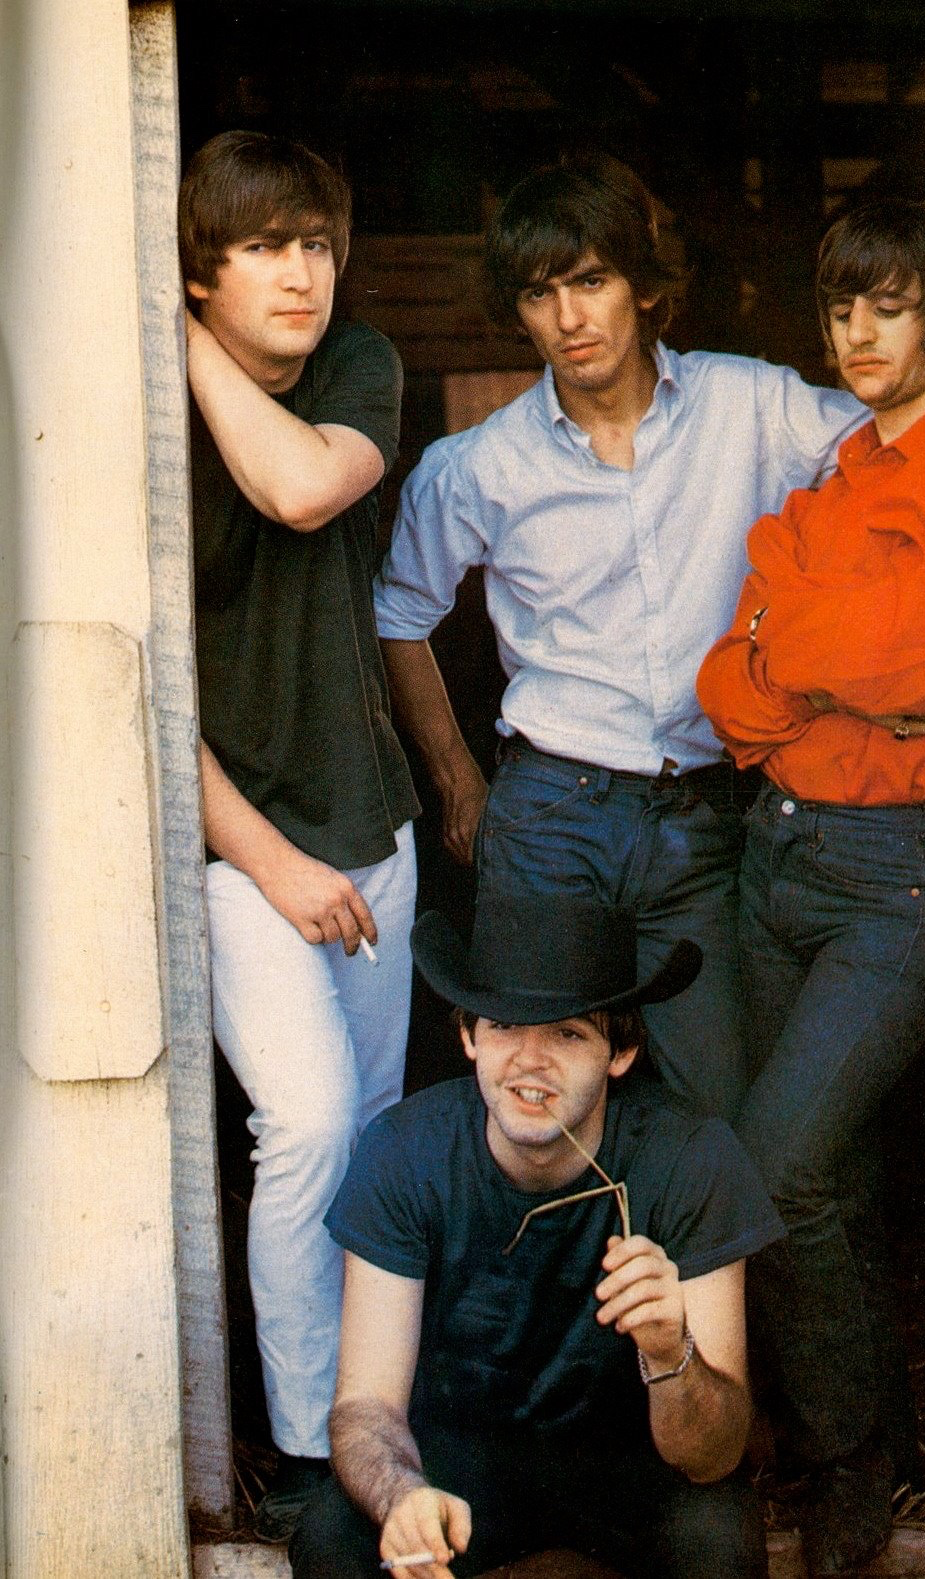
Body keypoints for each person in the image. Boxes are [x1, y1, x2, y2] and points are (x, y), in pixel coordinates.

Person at [375, 154, 864, 1124]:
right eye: (539, 292)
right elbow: (399, 616)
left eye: (590, 280)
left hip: (705, 815)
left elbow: (894, 449)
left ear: (643, 284)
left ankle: (682, 1281)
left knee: (715, 1108)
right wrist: (458, 780)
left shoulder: (751, 405)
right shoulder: (477, 465)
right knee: (539, 1109)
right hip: (551, 810)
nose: (569, 318)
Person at [697, 199, 925, 1575]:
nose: (857, 332)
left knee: (779, 1157)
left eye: (884, 303)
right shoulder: (835, 467)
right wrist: (809, 647)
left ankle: (847, 1461)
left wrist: (790, 637)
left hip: (892, 880)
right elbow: (725, 687)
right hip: (777, 853)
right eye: (836, 311)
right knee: (835, 1184)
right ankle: (845, 1453)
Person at [180, 130, 421, 1538]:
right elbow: (142, 682)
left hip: (368, 828)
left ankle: (371, 1411)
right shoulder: (143, 417)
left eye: (315, 242)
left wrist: (187, 338)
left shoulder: (356, 367)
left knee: (377, 1137)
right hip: (237, 843)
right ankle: (302, 1438)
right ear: (201, 268)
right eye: (262, 245)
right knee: (311, 1122)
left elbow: (304, 484)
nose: (300, 272)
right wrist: (272, 863)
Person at [288, 891, 782, 1579]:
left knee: (718, 1541)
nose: (528, 1061)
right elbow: (364, 1404)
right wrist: (401, 1495)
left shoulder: (690, 1158)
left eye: (567, 1033)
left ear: (621, 1049)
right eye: (503, 1026)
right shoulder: (405, 1152)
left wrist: (671, 1351)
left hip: (628, 1464)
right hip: (461, 1465)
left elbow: (714, 1452)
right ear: (467, 1036)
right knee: (332, 1538)